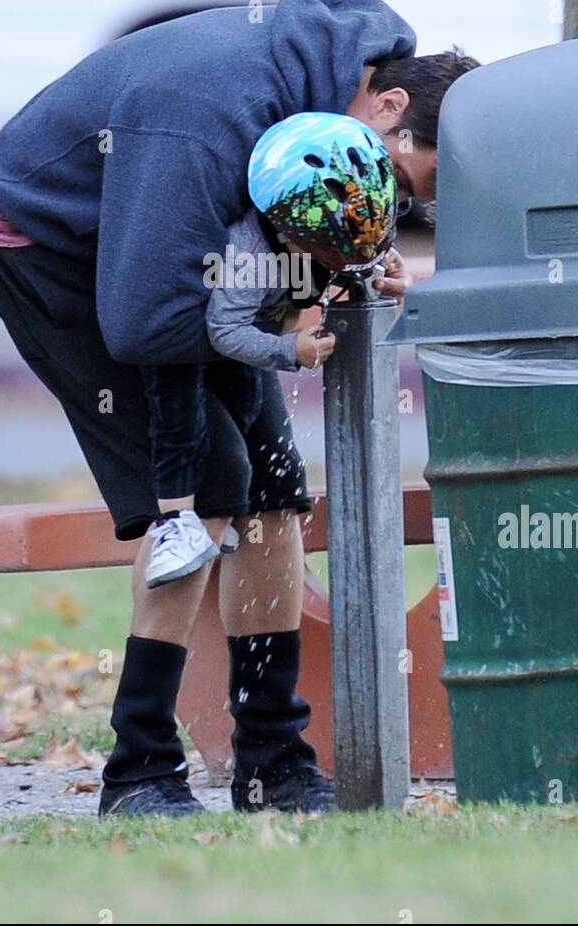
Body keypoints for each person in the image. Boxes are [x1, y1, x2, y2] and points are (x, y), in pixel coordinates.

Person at [0, 0, 478, 817]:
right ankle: (138, 773)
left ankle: (271, 759)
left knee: (270, 494)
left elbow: (273, 224)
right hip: (63, 256)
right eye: (404, 181)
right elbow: (143, 320)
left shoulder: (340, 94)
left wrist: (344, 265)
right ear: (386, 106)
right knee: (205, 492)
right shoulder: (203, 116)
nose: (395, 208)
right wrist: (286, 322)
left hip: (185, 259)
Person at [141, 112, 399, 592]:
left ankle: (232, 521)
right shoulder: (250, 251)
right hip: (183, 341)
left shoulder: (353, 214)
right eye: (325, 249)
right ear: (286, 223)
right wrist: (288, 349)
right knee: (183, 422)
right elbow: (225, 330)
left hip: (253, 332)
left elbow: (365, 246)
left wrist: (377, 265)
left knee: (250, 409)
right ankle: (177, 522)